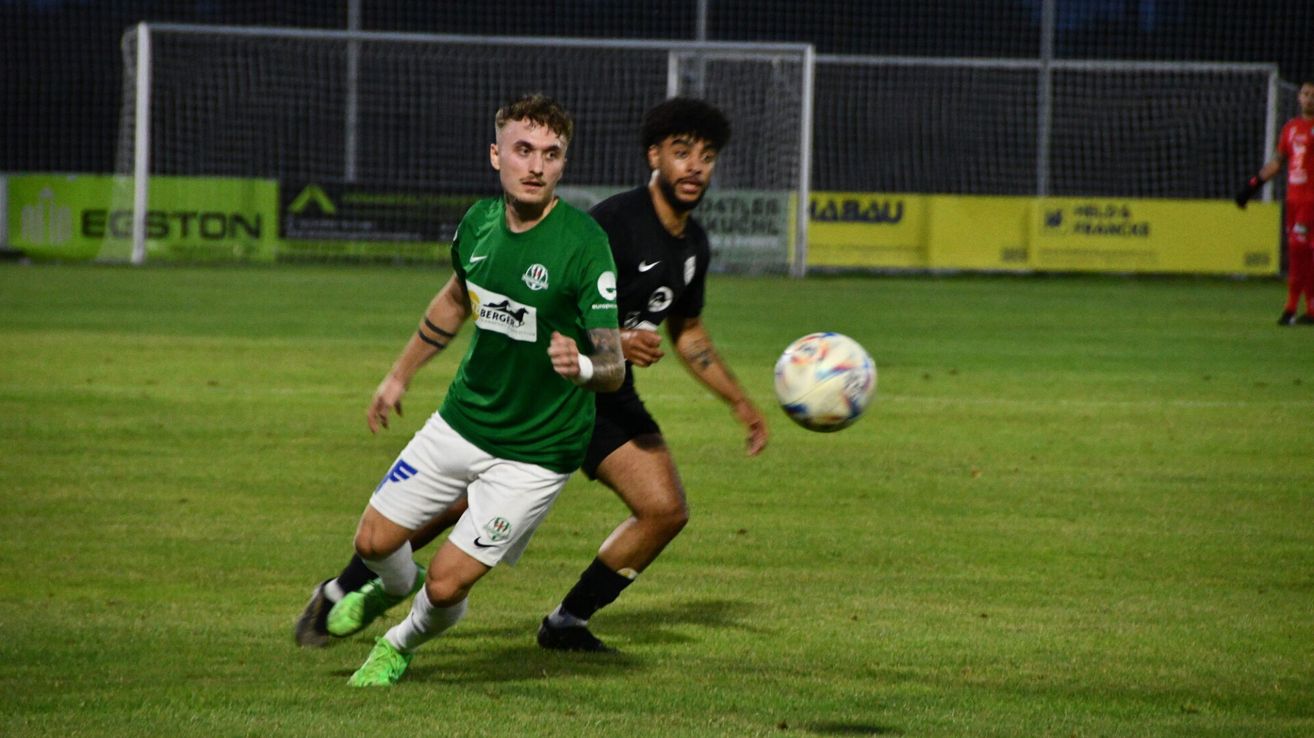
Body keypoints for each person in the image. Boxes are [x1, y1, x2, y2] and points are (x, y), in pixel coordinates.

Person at [294, 97, 768, 655]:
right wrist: (613, 339)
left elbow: (685, 330)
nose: (694, 167)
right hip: (545, 384)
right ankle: (348, 585)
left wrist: (738, 402)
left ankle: (567, 621)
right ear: (654, 157)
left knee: (665, 510)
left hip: (602, 391)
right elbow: (551, 297)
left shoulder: (692, 245)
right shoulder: (613, 225)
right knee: (453, 502)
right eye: (682, 153)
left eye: (706, 157)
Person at [330, 93, 624, 687]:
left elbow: (613, 363)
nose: (536, 165)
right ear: (496, 156)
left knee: (446, 583)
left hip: (537, 453)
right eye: (523, 150)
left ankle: (398, 643)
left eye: (551, 153)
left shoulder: (584, 244)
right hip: (462, 422)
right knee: (372, 542)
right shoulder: (476, 225)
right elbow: (455, 301)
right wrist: (399, 375)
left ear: (563, 164)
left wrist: (584, 368)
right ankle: (397, 587)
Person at [1236, 80, 1314, 326]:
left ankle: (1291, 307)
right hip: (1293, 199)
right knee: (1301, 253)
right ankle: (1310, 308)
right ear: (1299, 97)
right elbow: (1278, 163)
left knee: (1299, 248)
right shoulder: (1291, 128)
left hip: (1311, 201)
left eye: (1313, 95)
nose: (1308, 98)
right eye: (1305, 94)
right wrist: (1251, 186)